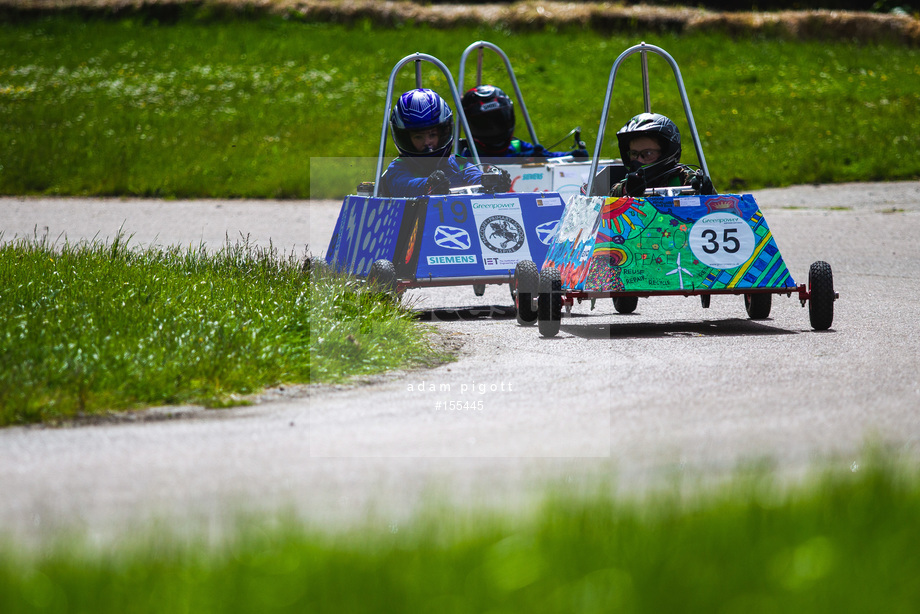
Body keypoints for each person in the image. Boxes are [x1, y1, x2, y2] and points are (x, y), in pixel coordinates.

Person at [380, 88, 510, 197]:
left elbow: (476, 178)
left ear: (442, 133)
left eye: (432, 135)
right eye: (418, 137)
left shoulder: (457, 164)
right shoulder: (398, 168)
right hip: (410, 225)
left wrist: (492, 181)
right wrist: (429, 185)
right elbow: (404, 186)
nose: (427, 142)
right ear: (406, 139)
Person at [459, 84, 588, 161]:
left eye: (498, 121)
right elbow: (488, 164)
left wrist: (571, 156)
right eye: (485, 125)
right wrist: (524, 158)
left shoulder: (516, 145)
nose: (494, 129)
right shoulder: (468, 153)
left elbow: (547, 156)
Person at [609, 112, 715, 197]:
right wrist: (628, 191)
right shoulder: (623, 188)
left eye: (647, 153)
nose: (639, 160)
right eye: (634, 153)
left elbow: (717, 215)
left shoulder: (686, 181)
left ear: (666, 152)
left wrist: (706, 194)